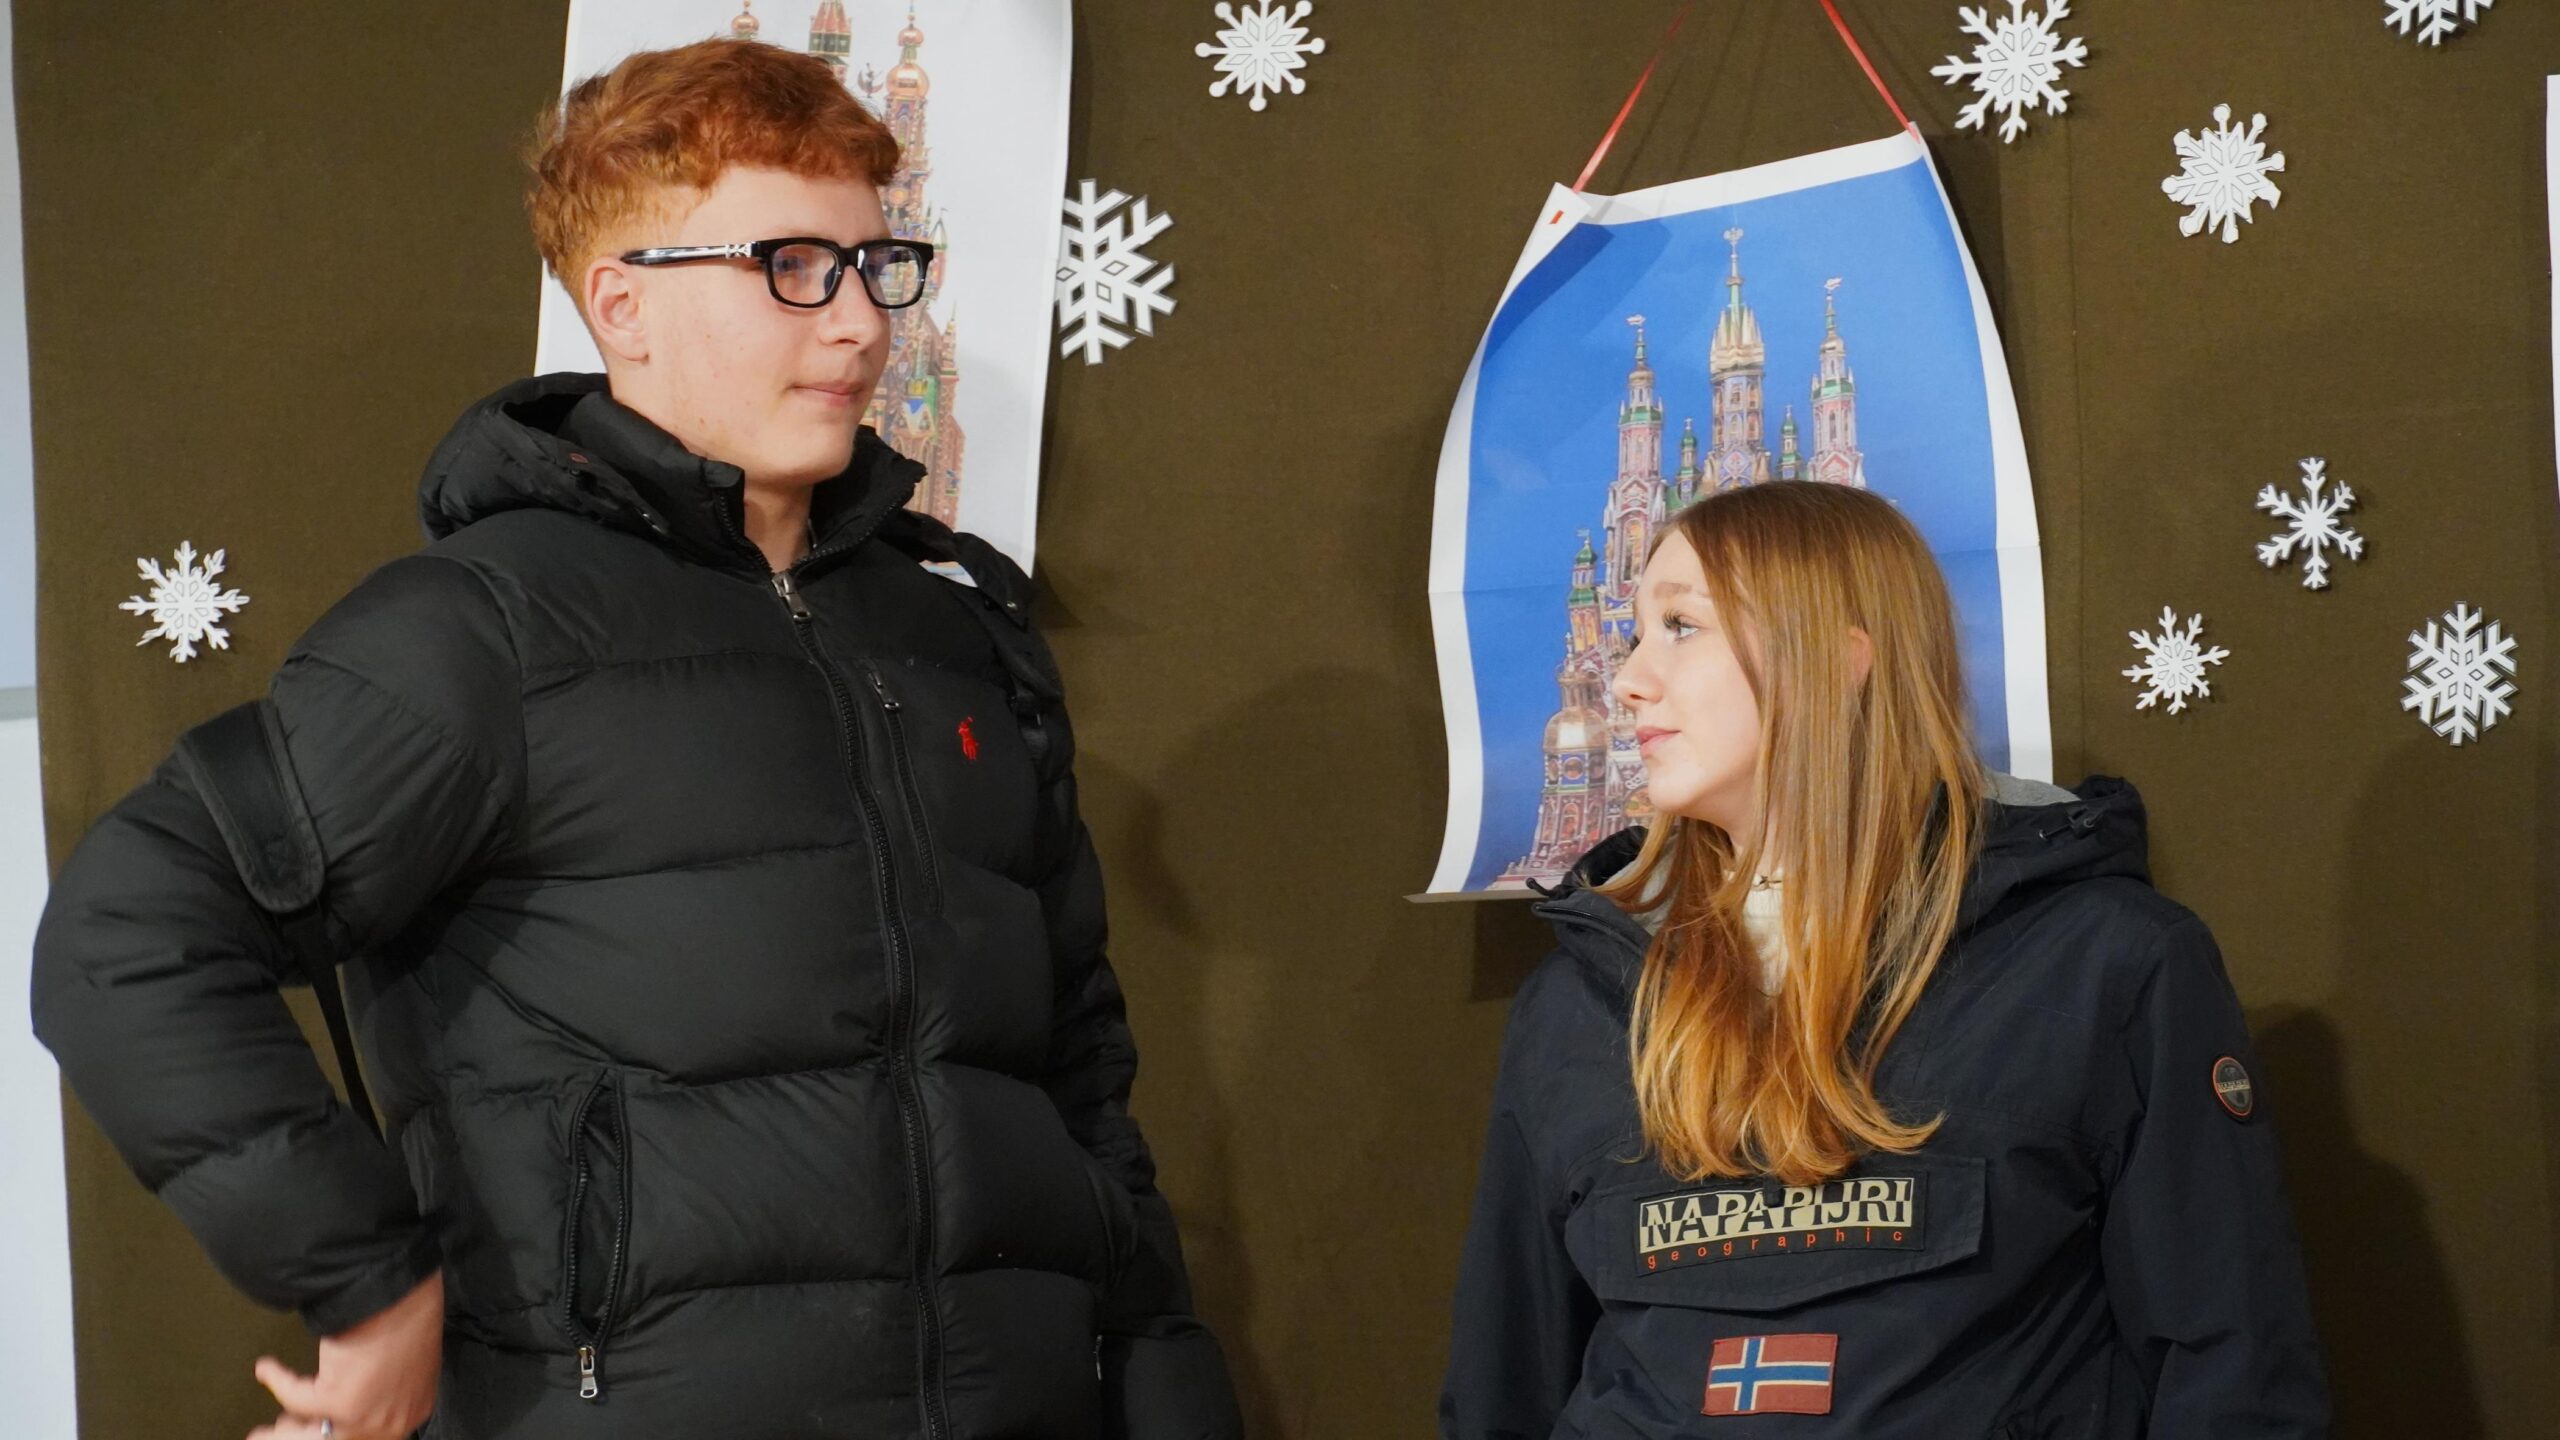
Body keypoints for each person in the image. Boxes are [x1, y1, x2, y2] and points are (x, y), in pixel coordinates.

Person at [32, 38, 1240, 1440]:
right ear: (622, 302)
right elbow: (129, 937)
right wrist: (365, 1281)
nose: (860, 324)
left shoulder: (957, 637)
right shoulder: (481, 632)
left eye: (876, 265)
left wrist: (1169, 1397)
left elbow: (1076, 1083)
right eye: (792, 266)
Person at [1439, 481, 2329, 1437]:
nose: (1628, 680)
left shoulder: (2104, 965)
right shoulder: (1578, 1002)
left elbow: (2232, 1378)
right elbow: (1505, 1385)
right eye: (1633, 636)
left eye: (1681, 627)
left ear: (1835, 658)